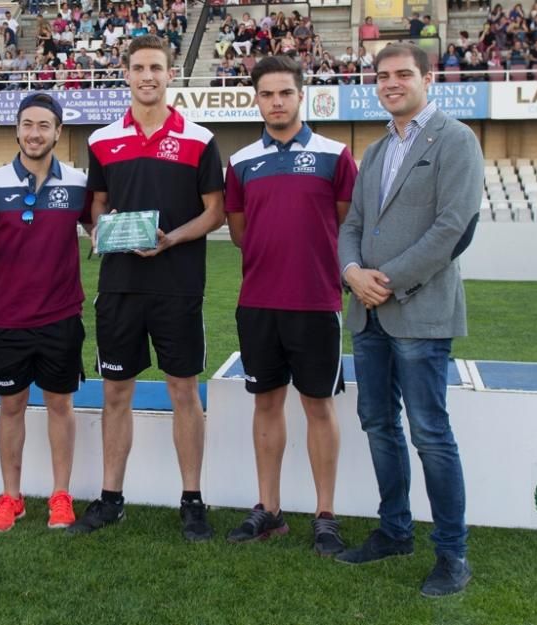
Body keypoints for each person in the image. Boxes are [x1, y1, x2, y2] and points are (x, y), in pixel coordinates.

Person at [336, 42, 484, 598]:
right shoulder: (373, 153)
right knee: (378, 423)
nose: (391, 83)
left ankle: (452, 554)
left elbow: (452, 228)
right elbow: (351, 225)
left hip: (418, 311)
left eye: (403, 74)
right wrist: (352, 271)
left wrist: (387, 278)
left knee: (430, 433)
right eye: (383, 76)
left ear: (428, 77)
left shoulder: (456, 140)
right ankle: (395, 530)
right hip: (368, 314)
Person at [68, 35, 225, 541]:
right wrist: (102, 229)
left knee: (183, 391)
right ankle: (112, 498)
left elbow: (215, 210)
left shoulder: (200, 139)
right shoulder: (102, 140)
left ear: (170, 74)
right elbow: (96, 205)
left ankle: (193, 500)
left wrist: (172, 239)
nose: (147, 76)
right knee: (116, 392)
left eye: (156, 67)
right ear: (126, 73)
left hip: (178, 286)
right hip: (119, 288)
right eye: (138, 67)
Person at [223, 54, 357, 554]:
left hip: (316, 301)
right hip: (258, 302)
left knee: (318, 406)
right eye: (266, 94)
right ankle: (270, 509)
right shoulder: (239, 163)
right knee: (266, 402)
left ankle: (325, 514)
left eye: (285, 93)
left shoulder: (334, 154)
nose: (276, 102)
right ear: (255, 100)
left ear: (302, 96)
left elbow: (344, 223)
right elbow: (240, 233)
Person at [0, 93, 91, 533]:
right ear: (17, 129)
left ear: (58, 131)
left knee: (60, 405)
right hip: (9, 320)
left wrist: (103, 234)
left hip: (61, 315)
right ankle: (11, 498)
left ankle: (60, 495)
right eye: (28, 124)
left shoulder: (77, 181)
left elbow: (98, 225)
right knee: (11, 406)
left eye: (44, 125)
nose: (35, 133)